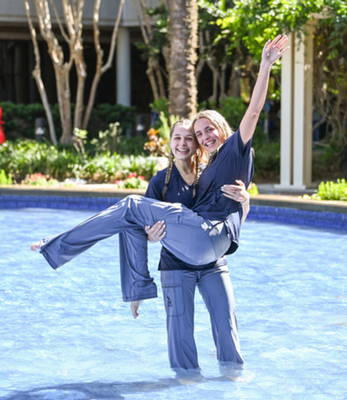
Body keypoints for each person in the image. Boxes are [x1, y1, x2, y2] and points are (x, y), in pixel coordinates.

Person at [31, 35, 288, 304]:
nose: (203, 137)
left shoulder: (234, 148)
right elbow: (207, 209)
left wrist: (265, 66)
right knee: (130, 219)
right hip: (197, 245)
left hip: (209, 240)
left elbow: (255, 111)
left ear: (222, 129)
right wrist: (151, 237)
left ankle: (57, 246)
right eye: (198, 134)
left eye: (205, 131)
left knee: (130, 205)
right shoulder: (202, 169)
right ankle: (136, 292)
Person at [131, 119, 249, 371]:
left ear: (197, 144)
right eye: (177, 138)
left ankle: (232, 383)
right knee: (180, 332)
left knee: (227, 327)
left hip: (213, 264)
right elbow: (141, 232)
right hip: (175, 266)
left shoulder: (212, 174)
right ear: (170, 143)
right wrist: (150, 238)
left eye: (188, 138)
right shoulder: (159, 183)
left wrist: (245, 201)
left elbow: (233, 218)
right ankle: (185, 387)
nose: (183, 143)